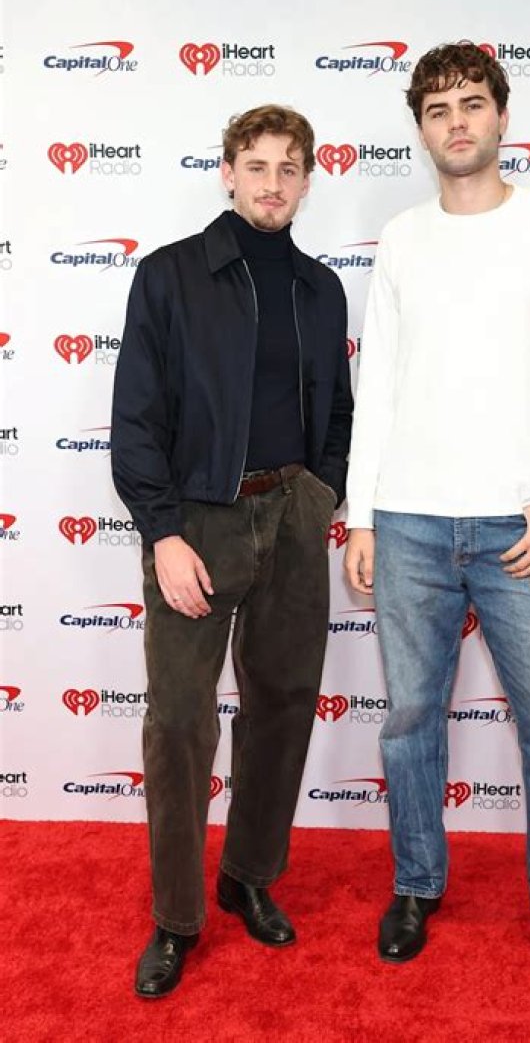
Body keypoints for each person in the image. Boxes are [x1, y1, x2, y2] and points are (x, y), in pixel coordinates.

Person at [344, 42, 530, 992]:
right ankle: (416, 885)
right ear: (421, 130)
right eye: (438, 109)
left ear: (502, 116)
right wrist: (363, 515)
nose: (456, 121)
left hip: (524, 531)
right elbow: (378, 384)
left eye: (471, 103)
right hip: (410, 522)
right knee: (409, 720)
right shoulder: (402, 238)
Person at [111, 104, 353, 999]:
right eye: (256, 165)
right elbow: (136, 419)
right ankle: (176, 919)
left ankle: (248, 876)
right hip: (199, 522)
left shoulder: (321, 289)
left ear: (308, 180)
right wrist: (164, 532)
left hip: (293, 514)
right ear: (227, 172)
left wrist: (321, 494)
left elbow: (338, 410)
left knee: (282, 706)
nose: (272, 183)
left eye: (289, 168)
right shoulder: (171, 274)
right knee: (181, 721)